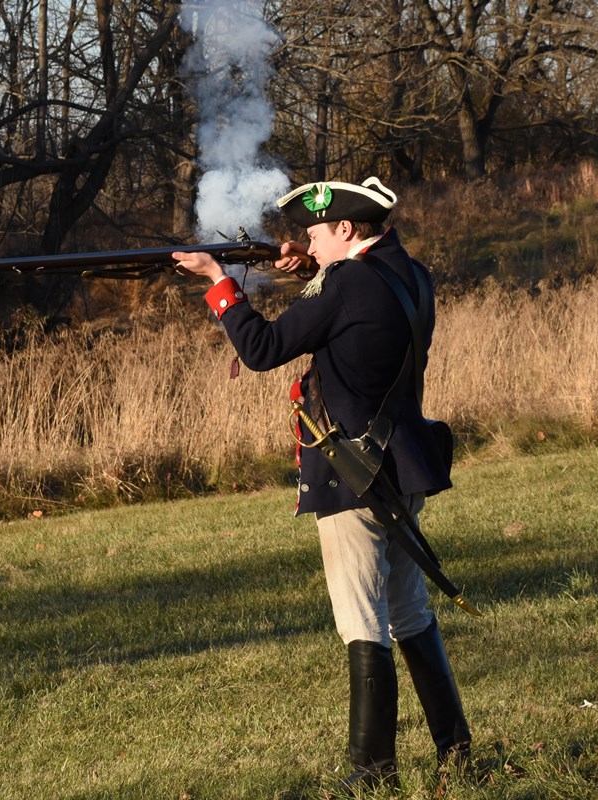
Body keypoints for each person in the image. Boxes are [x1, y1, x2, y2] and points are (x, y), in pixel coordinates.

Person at [173, 177, 471, 791]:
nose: (306, 242)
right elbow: (351, 309)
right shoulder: (407, 273)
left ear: (344, 229)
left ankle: (372, 776)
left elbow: (261, 348)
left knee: (362, 621)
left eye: (315, 233)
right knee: (409, 612)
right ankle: (456, 751)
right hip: (399, 465)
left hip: (352, 473)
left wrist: (217, 282)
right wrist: (310, 266)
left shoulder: (346, 283)